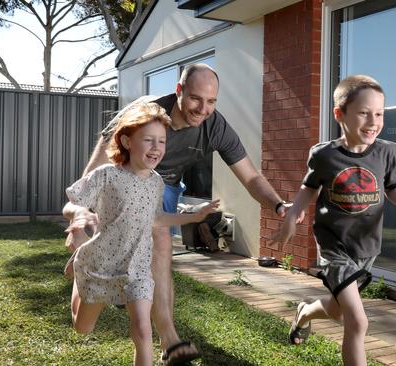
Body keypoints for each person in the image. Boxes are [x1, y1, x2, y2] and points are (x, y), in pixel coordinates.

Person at [64, 63, 290, 365]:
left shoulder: (216, 127)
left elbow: (251, 177)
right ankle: (90, 262)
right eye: (196, 98)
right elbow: (95, 172)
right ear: (179, 90)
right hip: (125, 181)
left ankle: (169, 340)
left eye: (211, 101)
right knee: (107, 271)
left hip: (162, 186)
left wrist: (278, 205)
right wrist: (78, 219)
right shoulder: (145, 113)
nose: (203, 108)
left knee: (160, 244)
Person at [271, 75, 396, 365]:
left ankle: (305, 312)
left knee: (339, 312)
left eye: (379, 114)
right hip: (334, 247)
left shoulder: (385, 151)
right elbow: (309, 188)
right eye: (364, 113)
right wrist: (293, 214)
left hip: (366, 249)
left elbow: (391, 184)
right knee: (358, 322)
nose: (373, 121)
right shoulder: (325, 155)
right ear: (340, 114)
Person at [63, 102, 220, 366]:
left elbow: (155, 219)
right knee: (83, 328)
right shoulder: (106, 175)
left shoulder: (156, 182)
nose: (156, 147)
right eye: (148, 140)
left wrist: (193, 216)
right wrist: (77, 213)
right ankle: (80, 268)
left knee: (143, 330)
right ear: (126, 141)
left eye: (161, 141)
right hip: (100, 265)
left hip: (137, 269)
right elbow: (71, 201)